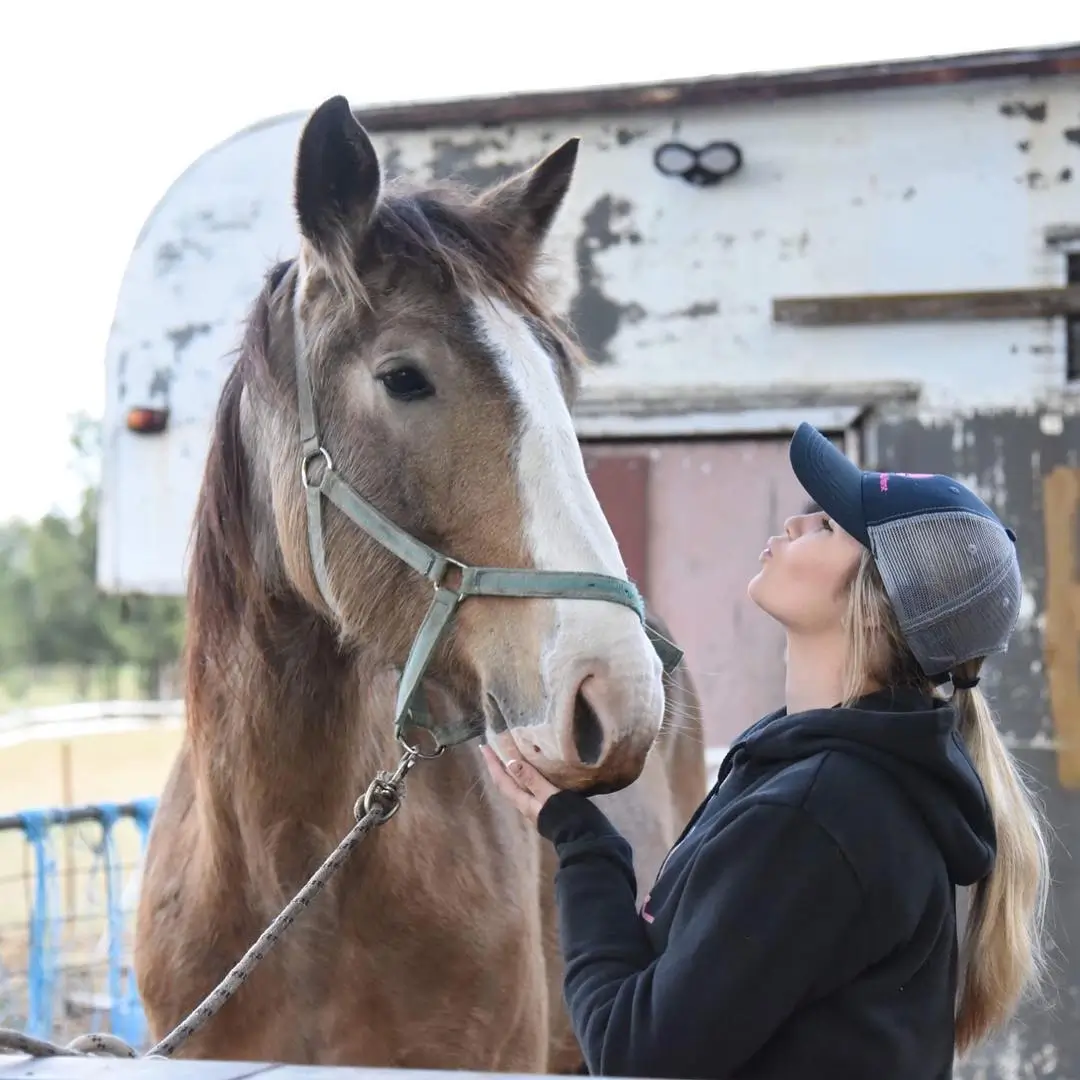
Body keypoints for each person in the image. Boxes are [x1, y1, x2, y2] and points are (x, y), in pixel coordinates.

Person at [481, 422, 1050, 1080]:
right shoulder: (822, 783)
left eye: (831, 528)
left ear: (872, 610)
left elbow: (634, 1056)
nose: (796, 524)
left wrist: (586, 847)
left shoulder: (820, 816)